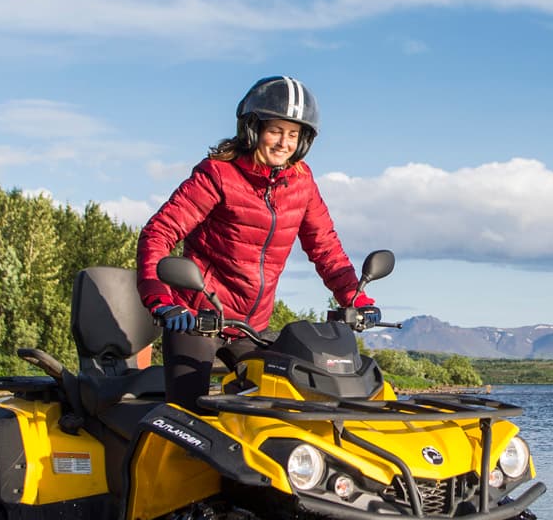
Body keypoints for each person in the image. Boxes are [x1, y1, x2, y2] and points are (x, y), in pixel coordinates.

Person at [136, 75, 379, 411]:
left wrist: (355, 297)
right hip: (196, 320)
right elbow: (158, 233)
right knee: (188, 417)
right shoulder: (218, 174)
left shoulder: (302, 183)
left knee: (281, 409)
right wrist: (161, 299)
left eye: (293, 134)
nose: (284, 143)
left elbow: (325, 248)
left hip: (251, 328)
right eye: (275, 131)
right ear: (252, 129)